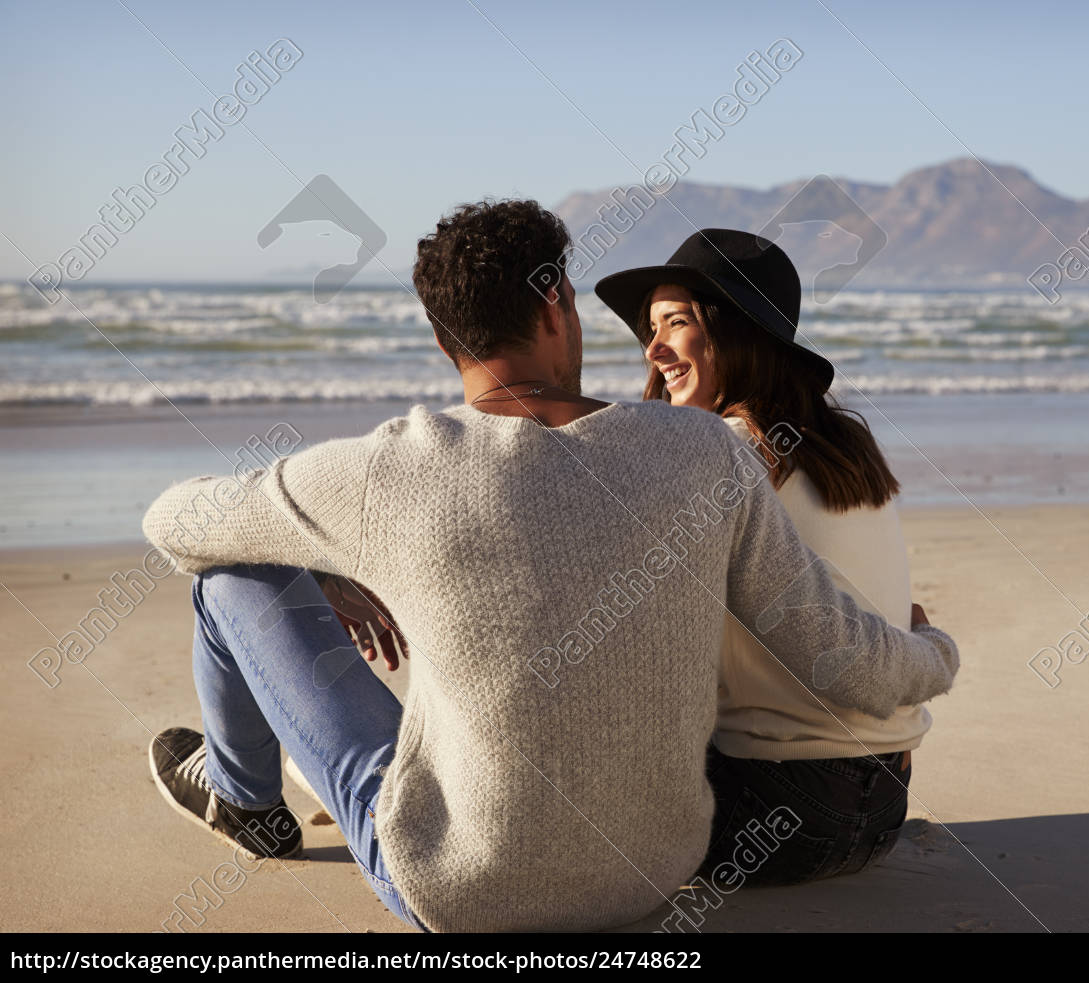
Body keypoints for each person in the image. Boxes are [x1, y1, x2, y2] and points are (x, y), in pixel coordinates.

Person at [141, 200, 960, 932]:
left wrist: (307, 553)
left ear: (440, 337)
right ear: (558, 304)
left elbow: (171, 519)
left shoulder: (384, 470)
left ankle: (242, 798)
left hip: (458, 893)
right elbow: (841, 654)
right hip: (652, 877)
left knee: (231, 578)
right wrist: (937, 653)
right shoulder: (704, 452)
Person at [596, 229, 951, 886]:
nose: (653, 349)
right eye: (651, 328)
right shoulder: (844, 444)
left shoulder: (718, 454)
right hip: (881, 807)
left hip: (764, 817)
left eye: (676, 322)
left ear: (733, 332)